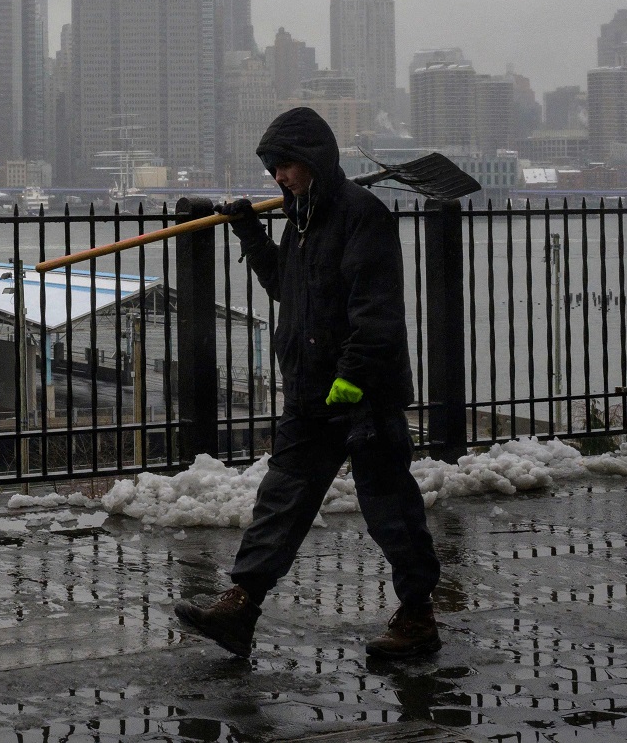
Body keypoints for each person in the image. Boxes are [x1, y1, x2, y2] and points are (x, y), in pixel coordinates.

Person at [172, 106, 442, 659]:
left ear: (315, 160)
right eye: (273, 169)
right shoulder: (302, 220)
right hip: (308, 391)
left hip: (362, 396)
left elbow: (377, 311)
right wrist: (250, 232)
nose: (279, 177)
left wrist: (352, 380)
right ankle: (241, 606)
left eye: (287, 166)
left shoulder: (361, 216)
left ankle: (417, 616)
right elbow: (286, 291)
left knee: (390, 510)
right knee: (283, 499)